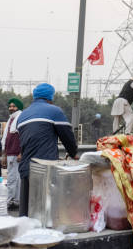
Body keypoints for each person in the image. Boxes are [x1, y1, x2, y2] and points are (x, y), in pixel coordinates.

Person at [17, 83, 78, 217]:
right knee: (45, 214)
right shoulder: (54, 111)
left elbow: (23, 143)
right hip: (45, 169)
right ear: (50, 97)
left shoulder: (22, 115)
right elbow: (67, 137)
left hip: (26, 168)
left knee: (26, 213)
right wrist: (73, 153)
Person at [1, 98, 23, 209]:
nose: (11, 108)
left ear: (18, 107)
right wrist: (4, 155)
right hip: (10, 153)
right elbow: (6, 138)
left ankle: (15, 201)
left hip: (17, 153)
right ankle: (12, 200)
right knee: (12, 178)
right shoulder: (11, 120)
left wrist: (21, 153)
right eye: (10, 106)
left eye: (14, 106)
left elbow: (24, 137)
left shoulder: (21, 118)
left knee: (16, 179)